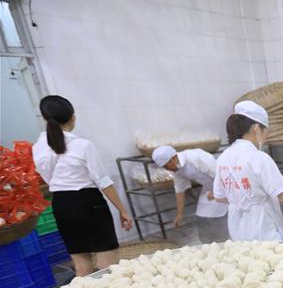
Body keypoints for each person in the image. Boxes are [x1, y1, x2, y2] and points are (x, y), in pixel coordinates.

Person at [32, 95, 133, 277]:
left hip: (61, 204)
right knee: (106, 262)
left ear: (45, 119)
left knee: (81, 264)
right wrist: (122, 210)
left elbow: (48, 179)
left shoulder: (38, 147)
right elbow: (103, 181)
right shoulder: (83, 145)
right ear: (73, 117)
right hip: (89, 203)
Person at [213, 100, 283, 242]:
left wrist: (241, 200)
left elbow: (219, 197)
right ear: (256, 129)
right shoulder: (259, 158)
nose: (265, 137)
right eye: (265, 131)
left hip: (237, 228)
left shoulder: (223, 157)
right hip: (262, 228)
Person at [151, 145, 229, 243]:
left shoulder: (194, 157)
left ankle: (223, 239)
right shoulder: (176, 169)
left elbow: (221, 173)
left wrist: (217, 192)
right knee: (202, 212)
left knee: (220, 212)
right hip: (208, 188)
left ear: (173, 158)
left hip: (225, 185)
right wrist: (179, 215)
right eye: (164, 167)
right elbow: (180, 190)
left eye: (166, 166)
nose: (167, 169)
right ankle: (206, 242)